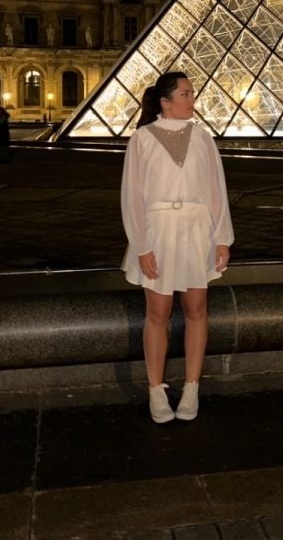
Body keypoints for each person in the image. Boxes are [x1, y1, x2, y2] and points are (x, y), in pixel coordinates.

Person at [121, 72, 234, 424]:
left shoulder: (203, 138)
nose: (192, 100)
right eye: (185, 94)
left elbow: (216, 190)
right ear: (165, 101)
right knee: (158, 313)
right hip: (158, 231)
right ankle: (156, 390)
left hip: (198, 229)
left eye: (192, 94)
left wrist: (222, 237)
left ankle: (191, 387)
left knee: (197, 309)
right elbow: (131, 197)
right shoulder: (141, 139)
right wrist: (141, 245)